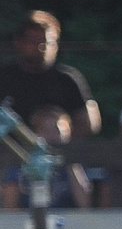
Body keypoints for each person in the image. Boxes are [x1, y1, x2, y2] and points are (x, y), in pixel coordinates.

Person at [1, 11, 101, 139]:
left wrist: (63, 145)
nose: (41, 47)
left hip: (56, 155)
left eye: (47, 42)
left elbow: (88, 123)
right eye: (34, 41)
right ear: (19, 42)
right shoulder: (4, 77)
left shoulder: (67, 79)